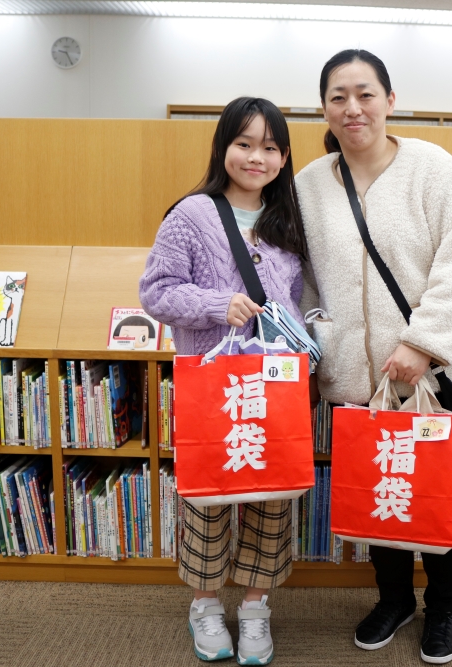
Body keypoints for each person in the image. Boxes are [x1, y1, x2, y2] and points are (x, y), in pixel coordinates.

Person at [295, 50, 452, 664]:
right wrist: (316, 339)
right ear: (323, 106)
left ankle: (444, 607)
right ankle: (394, 599)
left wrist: (422, 343)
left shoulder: (435, 170)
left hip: (428, 376)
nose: (352, 108)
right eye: (337, 96)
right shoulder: (307, 183)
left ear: (389, 98)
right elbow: (299, 276)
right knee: (379, 490)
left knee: (436, 493)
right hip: (355, 377)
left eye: (365, 93)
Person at [139, 96, 306, 665]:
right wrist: (217, 304)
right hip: (213, 384)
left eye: (268, 147)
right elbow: (156, 292)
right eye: (243, 143)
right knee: (208, 496)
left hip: (276, 384)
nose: (255, 157)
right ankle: (206, 604)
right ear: (223, 147)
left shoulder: (289, 220)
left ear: (283, 158)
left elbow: (300, 300)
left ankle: (256, 607)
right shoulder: (190, 215)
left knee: (270, 496)